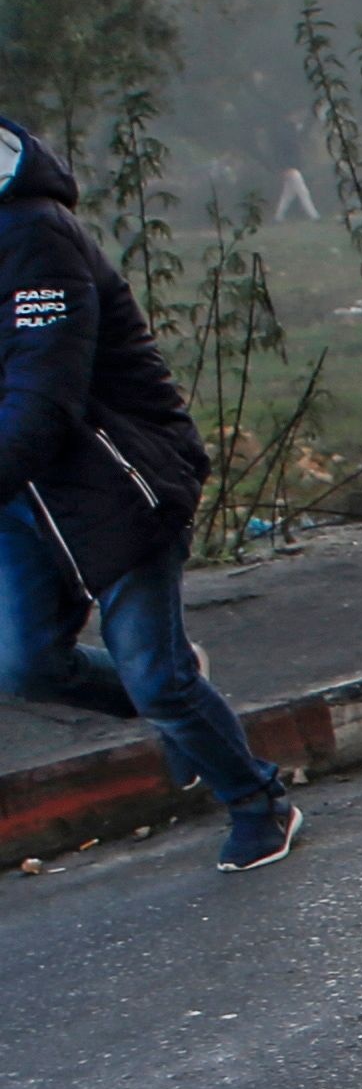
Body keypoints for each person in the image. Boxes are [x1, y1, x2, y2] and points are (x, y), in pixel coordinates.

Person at [0, 118, 299, 869]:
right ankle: (181, 694)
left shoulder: (35, 236)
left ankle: (259, 800)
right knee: (26, 665)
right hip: (21, 494)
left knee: (154, 676)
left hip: (115, 480)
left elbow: (44, 394)